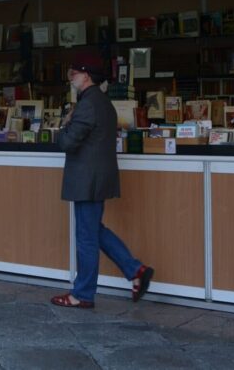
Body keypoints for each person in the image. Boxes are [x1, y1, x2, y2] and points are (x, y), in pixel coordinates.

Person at [50, 52, 153, 308]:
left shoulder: (87, 104)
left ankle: (82, 294)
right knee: (94, 230)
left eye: (75, 72)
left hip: (88, 180)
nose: (71, 76)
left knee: (86, 236)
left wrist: (63, 126)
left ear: (87, 75)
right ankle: (136, 270)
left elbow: (68, 142)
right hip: (96, 177)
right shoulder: (103, 102)